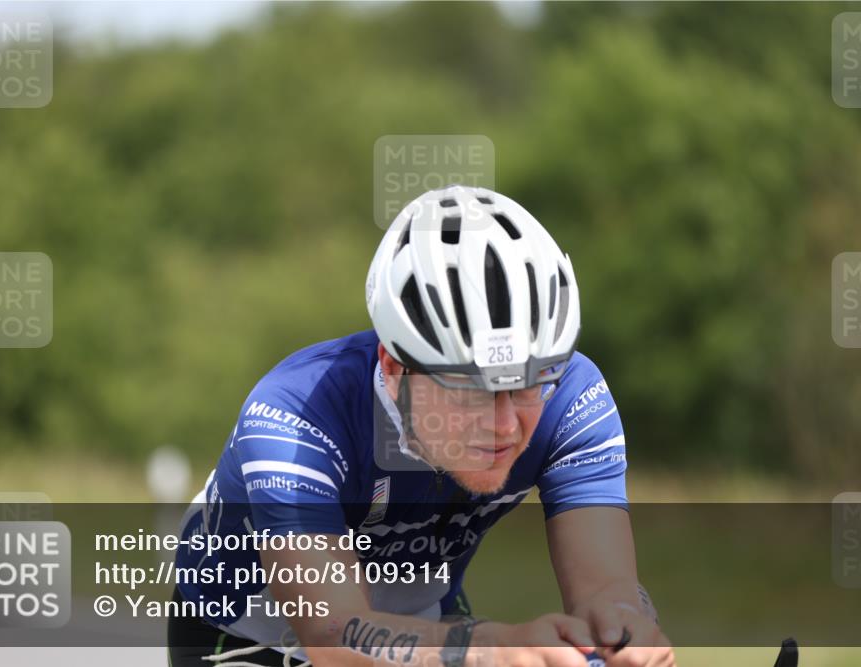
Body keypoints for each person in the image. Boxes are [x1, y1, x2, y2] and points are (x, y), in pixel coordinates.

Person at [169, 186, 675, 667]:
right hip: (248, 635)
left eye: (527, 384)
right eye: (471, 390)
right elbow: (332, 638)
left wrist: (625, 628)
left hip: (427, 618)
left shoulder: (572, 396)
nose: (503, 425)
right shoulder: (296, 413)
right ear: (394, 369)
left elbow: (606, 588)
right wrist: (490, 649)